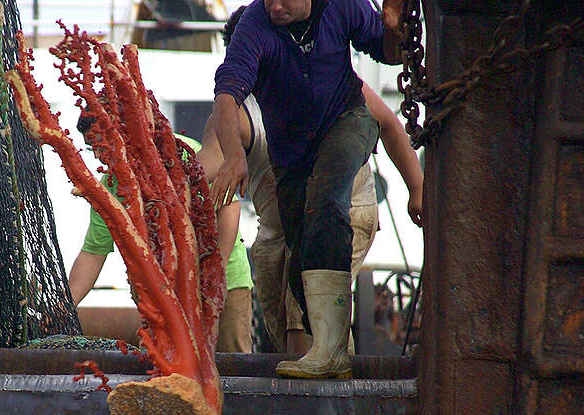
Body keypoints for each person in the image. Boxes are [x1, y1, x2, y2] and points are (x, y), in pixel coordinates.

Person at [199, 6, 423, 355]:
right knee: (286, 320)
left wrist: (418, 189)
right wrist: (219, 165)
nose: (276, 8)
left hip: (348, 208)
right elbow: (212, 147)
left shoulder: (336, 81)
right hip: (279, 231)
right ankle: (327, 370)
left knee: (302, 301)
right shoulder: (242, 111)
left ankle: (325, 386)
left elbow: (391, 127)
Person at [68, 131, 256, 353]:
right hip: (159, 292)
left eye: (103, 145)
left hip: (224, 279)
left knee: (233, 362)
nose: (99, 156)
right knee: (158, 362)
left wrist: (217, 276)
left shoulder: (179, 152)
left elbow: (229, 207)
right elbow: (93, 253)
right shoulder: (109, 185)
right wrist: (65, 308)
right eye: (93, 148)